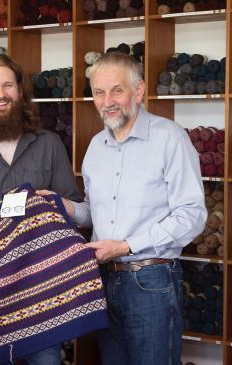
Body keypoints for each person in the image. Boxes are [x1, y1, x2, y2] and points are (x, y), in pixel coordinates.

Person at [48, 51, 207, 365]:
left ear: (138, 90)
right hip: (105, 280)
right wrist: (64, 207)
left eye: (116, 90)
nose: (107, 101)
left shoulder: (169, 138)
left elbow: (192, 215)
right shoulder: (96, 146)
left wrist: (124, 246)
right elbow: (96, 212)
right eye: (98, 92)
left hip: (151, 280)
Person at [0, 54, 83, 365]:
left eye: (8, 84)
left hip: (43, 290)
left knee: (47, 361)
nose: (1, 93)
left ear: (20, 91)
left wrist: (54, 205)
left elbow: (73, 206)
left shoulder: (49, 143)